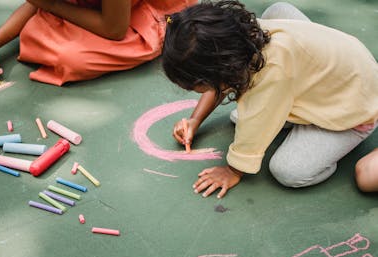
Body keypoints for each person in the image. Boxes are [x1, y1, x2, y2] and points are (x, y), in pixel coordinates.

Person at [161, 1, 378, 199]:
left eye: (196, 86)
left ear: (223, 70)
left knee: (289, 171)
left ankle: (331, 142)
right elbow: (220, 82)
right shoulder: (244, 38)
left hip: (353, 107)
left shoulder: (271, 75)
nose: (193, 90)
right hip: (342, 68)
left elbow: (253, 128)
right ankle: (295, 110)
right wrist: (195, 120)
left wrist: (232, 170)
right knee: (278, 11)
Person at [0, 0, 196, 86]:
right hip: (94, 10)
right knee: (34, 33)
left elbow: (115, 30)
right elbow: (38, 3)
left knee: (72, 59)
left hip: (136, 13)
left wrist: (54, 7)